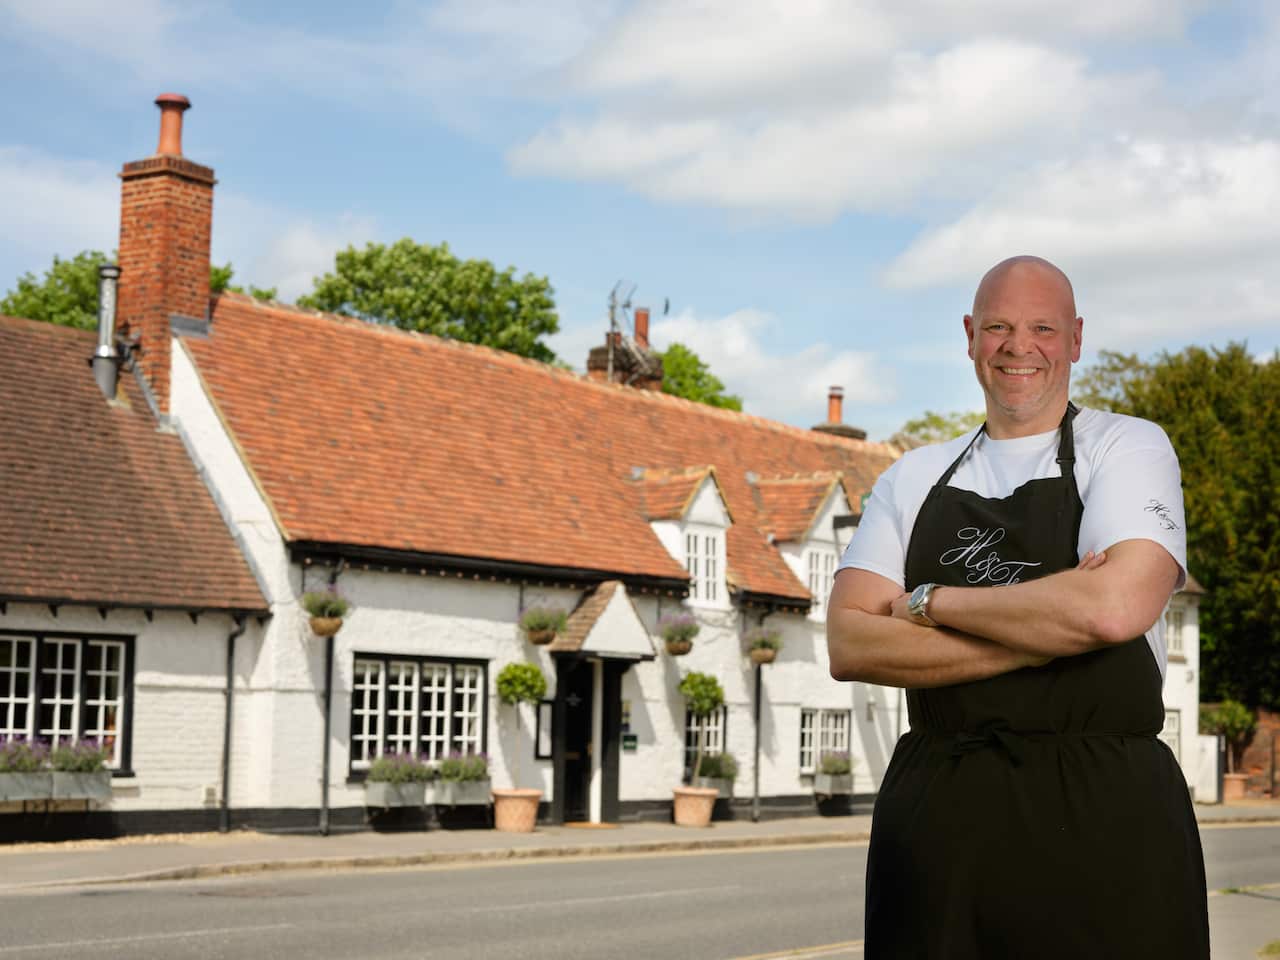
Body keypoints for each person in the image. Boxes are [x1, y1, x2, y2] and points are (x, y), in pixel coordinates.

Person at [827, 256, 1209, 959]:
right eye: (998, 326)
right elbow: (851, 645)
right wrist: (1050, 626)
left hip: (1106, 813)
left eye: (1042, 327)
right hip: (941, 821)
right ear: (970, 336)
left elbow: (1114, 611)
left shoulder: (1127, 446)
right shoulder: (911, 475)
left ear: (1075, 338)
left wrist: (927, 601)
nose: (1018, 345)